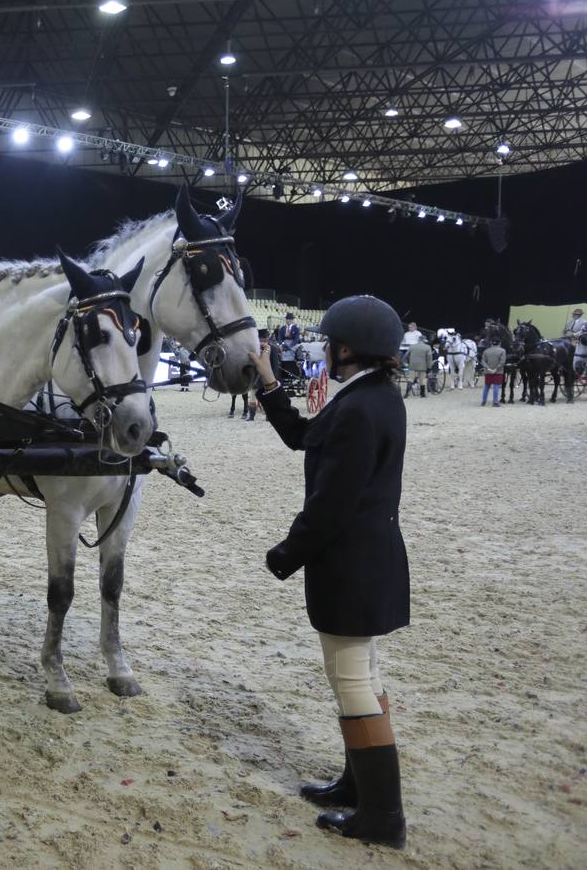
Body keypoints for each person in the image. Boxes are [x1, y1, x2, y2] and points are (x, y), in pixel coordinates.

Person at [247, 294, 409, 850]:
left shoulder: (360, 409)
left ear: (346, 348)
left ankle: (383, 816)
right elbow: (303, 436)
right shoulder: (371, 398)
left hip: (351, 563)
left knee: (353, 681)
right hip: (367, 556)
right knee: (362, 675)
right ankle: (356, 784)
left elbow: (330, 506)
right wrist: (268, 381)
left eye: (326, 341)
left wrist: (286, 553)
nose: (320, 348)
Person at [481, 339, 506, 406]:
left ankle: (483, 401)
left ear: (491, 343)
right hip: (498, 372)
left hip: (488, 372)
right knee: (496, 386)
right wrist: (495, 369)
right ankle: (495, 402)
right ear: (499, 343)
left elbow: (483, 361)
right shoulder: (502, 351)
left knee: (486, 386)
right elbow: (502, 362)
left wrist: (488, 368)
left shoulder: (486, 351)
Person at [564, 307, 587, 377]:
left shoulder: (584, 322)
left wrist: (573, 335)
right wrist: (565, 335)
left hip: (577, 340)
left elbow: (582, 332)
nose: (574, 315)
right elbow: (564, 331)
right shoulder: (569, 322)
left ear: (580, 315)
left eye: (576, 314)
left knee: (572, 347)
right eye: (574, 314)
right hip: (568, 339)